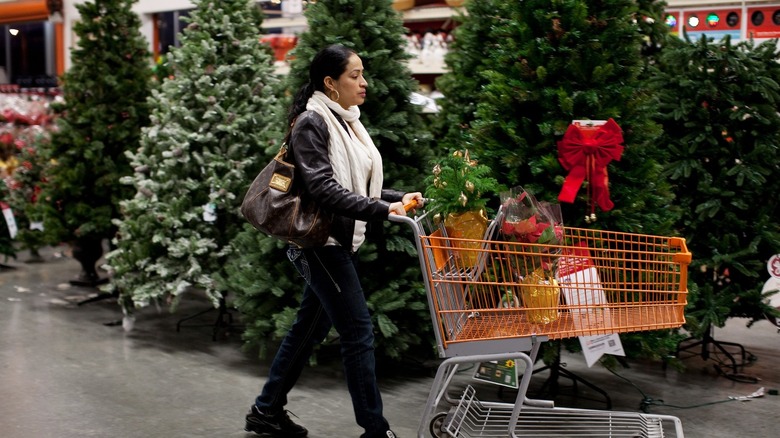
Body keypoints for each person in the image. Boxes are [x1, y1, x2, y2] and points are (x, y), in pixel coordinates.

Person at [244, 43, 423, 438]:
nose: (364, 83)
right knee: (358, 332)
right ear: (330, 82)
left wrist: (396, 198)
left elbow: (354, 185)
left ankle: (266, 410)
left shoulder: (346, 121)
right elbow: (324, 190)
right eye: (354, 75)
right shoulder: (313, 121)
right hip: (318, 243)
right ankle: (375, 430)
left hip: (336, 241)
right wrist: (382, 210)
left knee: (308, 329)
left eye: (362, 74)